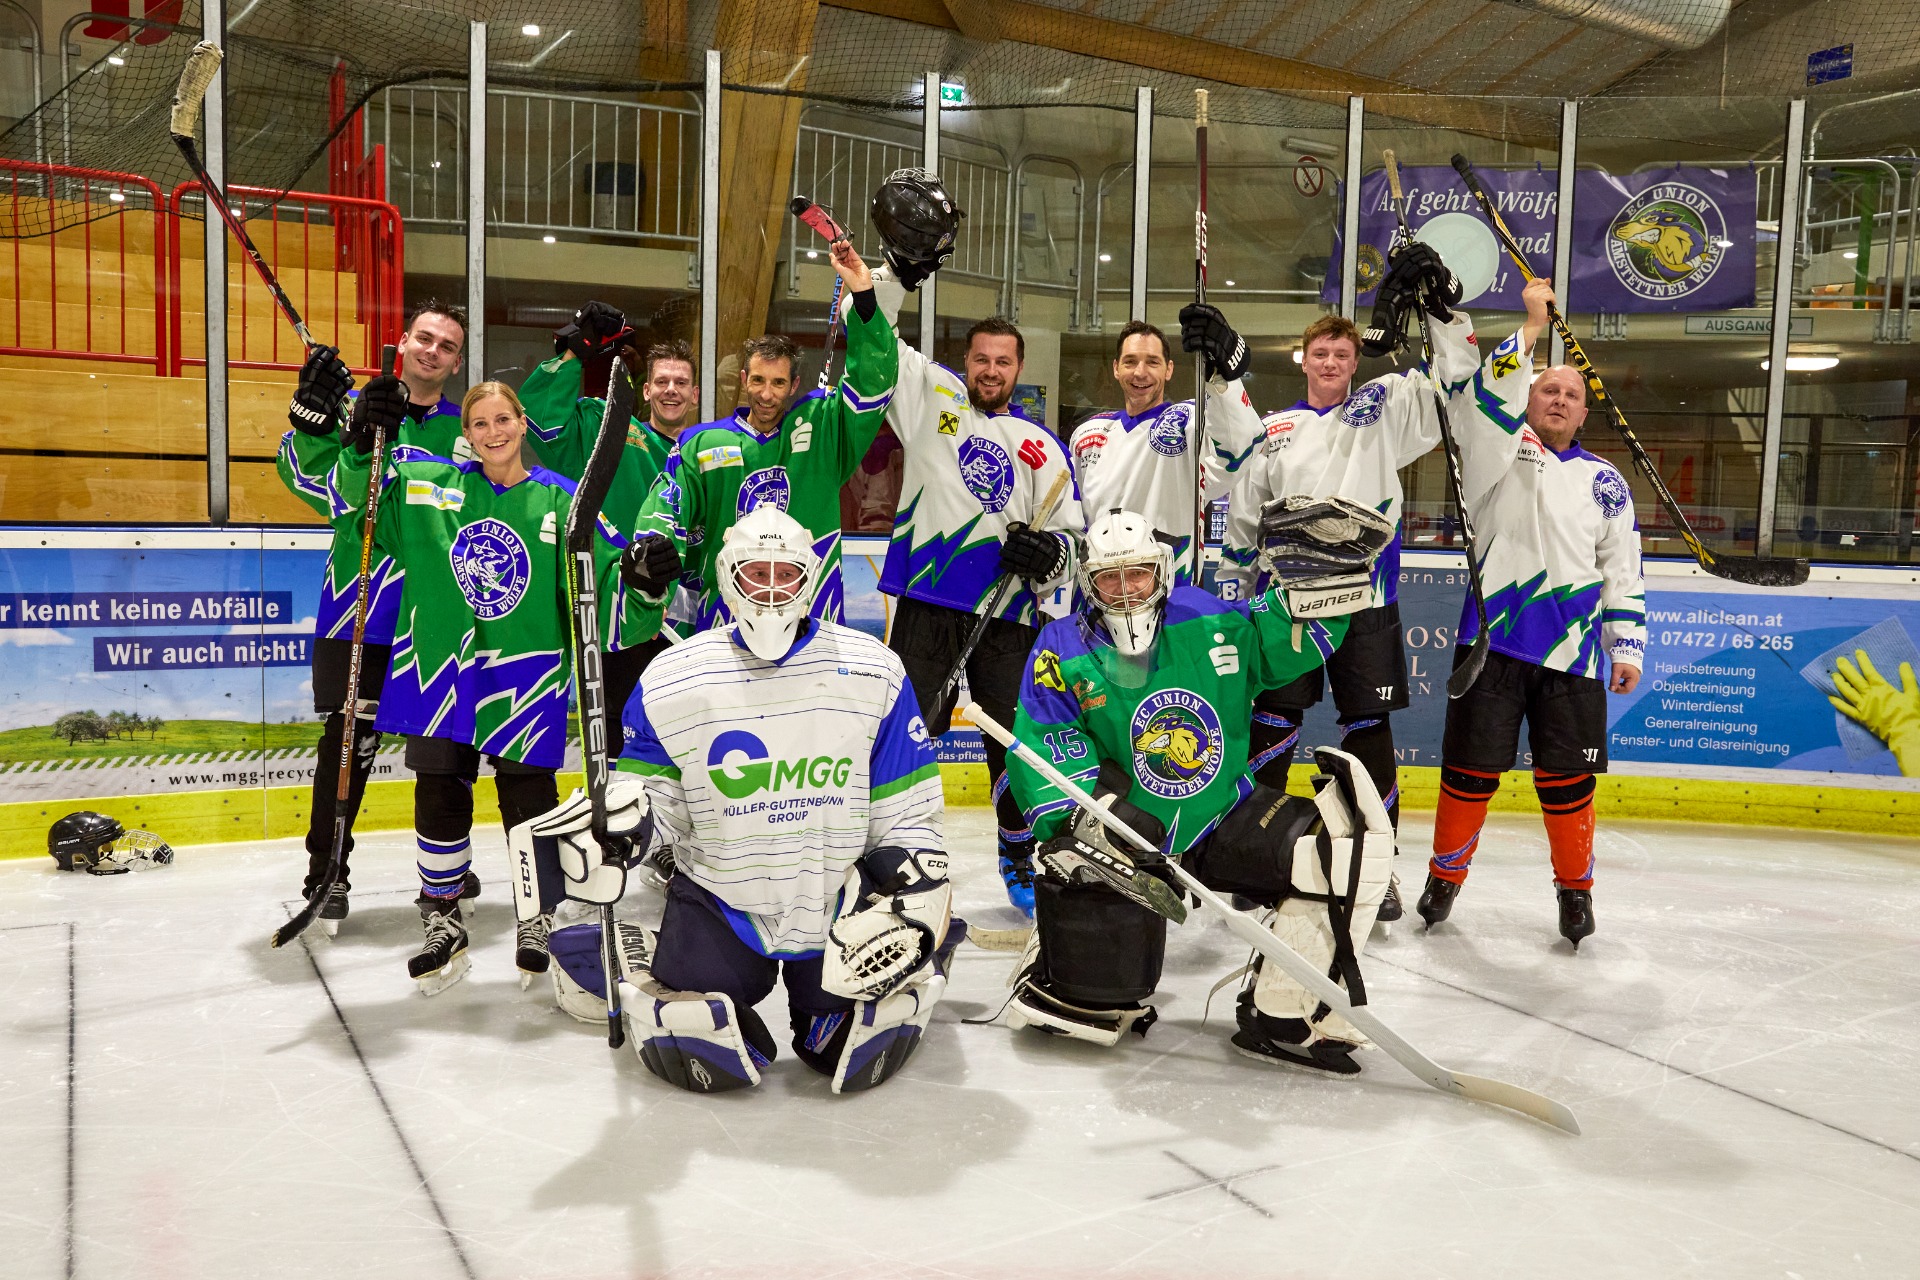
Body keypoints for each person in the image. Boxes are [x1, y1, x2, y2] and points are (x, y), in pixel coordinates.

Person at [536, 505, 957, 1094]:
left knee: (853, 1047)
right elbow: (655, 798)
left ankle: (896, 967)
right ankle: (642, 950)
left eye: (786, 575)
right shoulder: (673, 677)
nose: (772, 591)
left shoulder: (873, 670)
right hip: (722, 899)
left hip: (835, 901)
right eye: (756, 574)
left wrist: (911, 881)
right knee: (694, 1043)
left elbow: (907, 807)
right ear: (728, 578)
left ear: (810, 579)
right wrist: (625, 828)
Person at [1004, 506, 1400, 1074]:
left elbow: (1285, 637)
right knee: (1091, 1005)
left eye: (1138, 574)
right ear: (1088, 583)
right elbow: (1045, 745)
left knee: (1344, 852)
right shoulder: (1059, 646)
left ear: (1161, 571)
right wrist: (1090, 819)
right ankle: (1057, 955)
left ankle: (1282, 1014)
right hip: (1127, 837)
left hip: (1222, 817)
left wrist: (1323, 589)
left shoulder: (1209, 617)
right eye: (1109, 578)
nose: (1125, 590)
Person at [327, 375, 626, 991]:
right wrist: (359, 444)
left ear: (522, 424)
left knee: (529, 796)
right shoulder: (426, 489)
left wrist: (643, 575)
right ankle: (442, 916)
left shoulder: (562, 499)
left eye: (503, 420)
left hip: (527, 674)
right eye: (480, 423)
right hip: (440, 670)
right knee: (439, 789)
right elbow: (358, 508)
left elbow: (609, 577)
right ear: (465, 433)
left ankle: (536, 916)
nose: (493, 432)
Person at [1208, 245, 1479, 921]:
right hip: (1286, 606)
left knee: (1368, 727)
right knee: (1273, 724)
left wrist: (1441, 310)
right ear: (1303, 360)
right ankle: (1254, 857)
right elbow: (1244, 520)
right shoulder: (1271, 432)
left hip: (1366, 601)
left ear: (1356, 362)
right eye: (1320, 353)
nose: (1330, 363)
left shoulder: (1384, 407)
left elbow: (1454, 379)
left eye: (1341, 354)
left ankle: (1375, 869)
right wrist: (1233, 592)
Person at [1417, 277, 1646, 948]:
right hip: (1492, 644)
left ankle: (1576, 892)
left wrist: (1626, 646)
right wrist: (1531, 329)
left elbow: (1622, 569)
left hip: (1574, 657)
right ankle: (1444, 879)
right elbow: (1487, 396)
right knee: (1469, 773)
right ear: (1528, 398)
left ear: (1584, 413)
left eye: (1571, 394)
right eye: (1548, 389)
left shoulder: (1607, 482)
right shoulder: (1496, 447)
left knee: (1568, 783)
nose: (1559, 399)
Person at [860, 265, 1078, 919]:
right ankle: (887, 854)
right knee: (903, 738)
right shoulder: (930, 401)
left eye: (1003, 361)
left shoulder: (1044, 447)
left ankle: (1018, 854)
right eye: (981, 358)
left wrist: (1049, 555)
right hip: (927, 604)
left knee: (1012, 746)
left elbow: (1072, 544)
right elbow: (875, 332)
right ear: (967, 361)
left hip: (1008, 615)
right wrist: (888, 275)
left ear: (1019, 368)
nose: (990, 370)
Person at [275, 300, 468, 930]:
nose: (432, 350)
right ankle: (326, 872)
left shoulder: (469, 430)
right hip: (359, 606)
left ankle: (446, 867)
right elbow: (315, 487)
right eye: (424, 338)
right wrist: (320, 424)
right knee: (348, 743)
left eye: (446, 345)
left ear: (456, 363)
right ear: (402, 342)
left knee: (445, 749)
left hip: (439, 616)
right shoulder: (355, 408)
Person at [621, 241, 897, 638]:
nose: (766, 394)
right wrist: (652, 556)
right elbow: (666, 510)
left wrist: (865, 296)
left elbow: (873, 383)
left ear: (794, 385)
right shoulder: (702, 444)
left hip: (810, 618)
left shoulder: (824, 430)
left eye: (778, 383)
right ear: (744, 380)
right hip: (726, 620)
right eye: (757, 380)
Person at [521, 314, 702, 745]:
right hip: (618, 616)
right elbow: (544, 421)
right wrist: (573, 352)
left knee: (684, 741)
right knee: (617, 740)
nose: (671, 390)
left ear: (695, 394)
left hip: (690, 626)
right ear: (645, 390)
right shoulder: (613, 429)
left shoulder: (710, 451)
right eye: (661, 381)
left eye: (681, 383)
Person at [1068, 313, 1259, 585]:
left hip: (1170, 588)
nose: (1140, 372)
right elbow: (1074, 519)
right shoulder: (1088, 434)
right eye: (1130, 362)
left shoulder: (1191, 420)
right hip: (1102, 589)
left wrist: (1223, 375)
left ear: (1169, 369)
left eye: (1152, 362)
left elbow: (1240, 445)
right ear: (1116, 368)